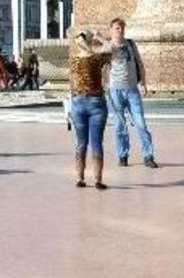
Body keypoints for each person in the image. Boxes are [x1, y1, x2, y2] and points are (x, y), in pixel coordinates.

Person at [99, 18, 158, 168]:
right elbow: (100, 67)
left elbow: (139, 63)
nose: (121, 31)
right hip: (115, 90)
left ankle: (148, 155)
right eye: (117, 28)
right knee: (120, 125)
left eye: (122, 28)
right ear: (111, 30)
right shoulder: (107, 47)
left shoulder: (130, 44)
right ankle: (123, 155)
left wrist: (143, 82)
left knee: (141, 123)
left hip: (132, 89)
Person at [68, 32, 110, 189]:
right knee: (96, 142)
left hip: (78, 102)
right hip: (96, 102)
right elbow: (115, 51)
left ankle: (80, 179)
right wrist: (101, 38)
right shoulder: (96, 58)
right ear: (90, 42)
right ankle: (98, 181)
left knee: (81, 142)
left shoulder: (73, 59)